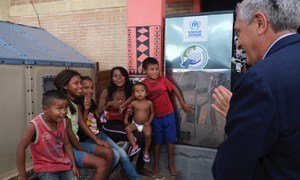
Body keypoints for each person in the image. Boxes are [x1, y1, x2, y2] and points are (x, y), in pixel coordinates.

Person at [212, 0, 300, 179]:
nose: (237, 44)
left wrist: (236, 117)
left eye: (238, 32)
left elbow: (229, 170)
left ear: (260, 23)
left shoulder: (259, 80)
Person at [75, 75, 140, 180]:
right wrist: (86, 110)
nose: (90, 91)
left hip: (99, 134)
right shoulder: (78, 103)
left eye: (92, 88)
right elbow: (81, 126)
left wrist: (104, 117)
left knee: (121, 153)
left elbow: (96, 121)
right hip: (88, 139)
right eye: (86, 88)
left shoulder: (91, 102)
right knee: (116, 155)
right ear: (79, 88)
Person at [54, 69, 113, 180]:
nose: (80, 86)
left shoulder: (75, 103)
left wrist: (97, 140)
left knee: (109, 153)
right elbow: (69, 133)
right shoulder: (62, 105)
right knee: (101, 163)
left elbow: (82, 122)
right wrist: (81, 149)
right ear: (65, 86)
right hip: (66, 148)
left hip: (75, 144)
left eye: (80, 82)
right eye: (76, 83)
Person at [141, 57, 193, 176]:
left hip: (169, 115)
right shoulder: (143, 85)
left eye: (157, 69)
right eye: (152, 69)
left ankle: (170, 164)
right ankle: (156, 165)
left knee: (170, 140)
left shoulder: (163, 80)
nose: (155, 72)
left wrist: (183, 104)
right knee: (157, 142)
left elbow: (175, 90)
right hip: (155, 118)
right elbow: (137, 99)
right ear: (144, 70)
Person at [98, 66, 151, 177]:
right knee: (138, 138)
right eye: (115, 76)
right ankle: (126, 169)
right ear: (111, 78)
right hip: (110, 125)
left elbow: (140, 105)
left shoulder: (131, 91)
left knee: (149, 136)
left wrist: (132, 112)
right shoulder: (107, 92)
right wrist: (107, 106)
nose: (119, 78)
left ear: (126, 77)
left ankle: (139, 167)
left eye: (121, 75)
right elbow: (98, 113)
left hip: (125, 124)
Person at [16, 90, 79, 180]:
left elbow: (67, 144)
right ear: (45, 109)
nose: (64, 111)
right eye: (59, 108)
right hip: (45, 167)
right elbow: (20, 148)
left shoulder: (63, 121)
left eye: (65, 108)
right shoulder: (35, 125)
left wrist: (73, 165)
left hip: (63, 164)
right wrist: (22, 175)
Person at [124, 82, 154, 163]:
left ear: (146, 93)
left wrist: (149, 122)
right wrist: (126, 120)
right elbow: (128, 112)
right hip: (135, 124)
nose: (139, 93)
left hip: (145, 125)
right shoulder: (133, 103)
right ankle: (134, 146)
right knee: (127, 129)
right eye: (137, 91)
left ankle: (146, 151)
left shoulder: (149, 103)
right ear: (133, 94)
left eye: (142, 91)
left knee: (148, 135)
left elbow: (152, 113)